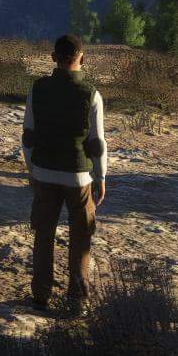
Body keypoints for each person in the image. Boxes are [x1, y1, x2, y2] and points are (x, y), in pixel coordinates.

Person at [22, 34, 107, 313]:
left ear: (53, 58)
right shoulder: (91, 94)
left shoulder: (38, 88)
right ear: (82, 57)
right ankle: (77, 300)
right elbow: (96, 142)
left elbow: (28, 136)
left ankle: (41, 295)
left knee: (43, 235)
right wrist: (102, 175)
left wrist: (31, 169)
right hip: (78, 176)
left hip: (44, 172)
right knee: (81, 237)